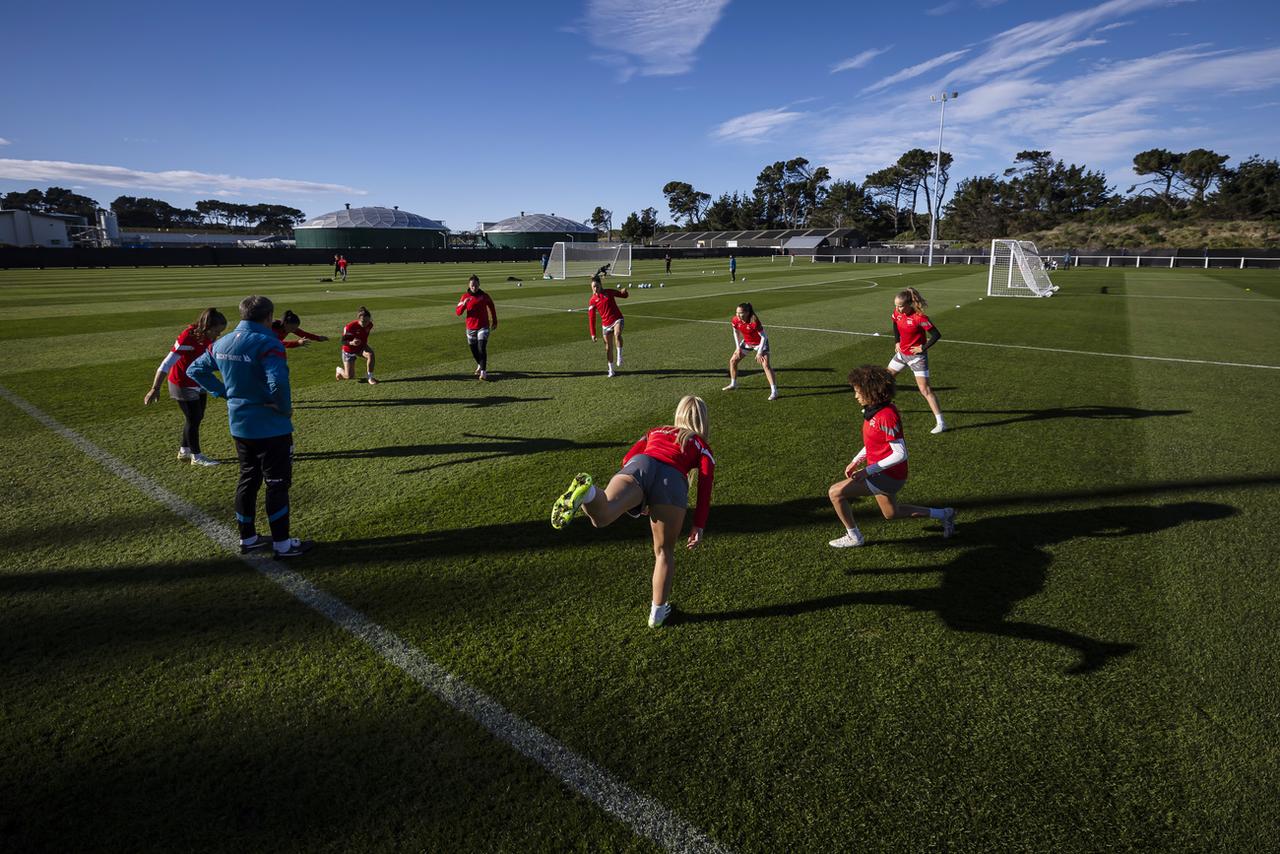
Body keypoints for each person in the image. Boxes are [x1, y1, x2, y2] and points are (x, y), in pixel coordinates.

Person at [550, 395, 714, 628]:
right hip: (672, 481)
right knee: (664, 552)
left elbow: (627, 457)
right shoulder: (700, 444)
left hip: (641, 464)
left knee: (603, 514)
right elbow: (705, 483)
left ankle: (587, 494)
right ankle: (657, 614)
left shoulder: (655, 431)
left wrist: (640, 496)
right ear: (703, 421)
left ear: (678, 413)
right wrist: (699, 524)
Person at [187, 295, 313, 559]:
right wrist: (283, 408)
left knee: (248, 480)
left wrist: (224, 393)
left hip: (240, 426)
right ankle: (282, 545)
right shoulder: (269, 343)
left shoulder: (221, 342)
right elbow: (277, 382)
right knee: (277, 484)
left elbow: (195, 370)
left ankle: (249, 539)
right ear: (269, 318)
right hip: (271, 427)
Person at [827, 365, 955, 548]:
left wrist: (867, 471)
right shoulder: (873, 411)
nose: (855, 396)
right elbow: (874, 443)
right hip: (882, 473)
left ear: (871, 391)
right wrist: (856, 460)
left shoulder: (886, 416)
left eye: (858, 391)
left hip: (888, 476)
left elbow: (900, 453)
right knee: (891, 513)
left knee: (835, 493)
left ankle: (854, 536)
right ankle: (945, 514)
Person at [143, 307, 228, 466]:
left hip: (199, 380)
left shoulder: (208, 337)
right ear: (207, 327)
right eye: (217, 331)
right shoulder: (187, 337)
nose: (218, 335)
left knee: (197, 417)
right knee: (193, 418)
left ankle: (184, 450)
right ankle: (196, 457)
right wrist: (155, 388)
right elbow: (167, 363)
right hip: (182, 383)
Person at [887, 287, 946, 434]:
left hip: (917, 358)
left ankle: (941, 422)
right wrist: (897, 342)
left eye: (900, 306)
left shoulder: (920, 318)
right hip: (901, 354)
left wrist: (923, 348)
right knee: (886, 379)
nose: (897, 308)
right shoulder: (896, 313)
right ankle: (884, 407)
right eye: (896, 305)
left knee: (924, 390)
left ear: (909, 304)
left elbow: (936, 335)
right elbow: (895, 324)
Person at [722, 302, 779, 400]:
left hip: (760, 343)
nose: (738, 315)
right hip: (747, 343)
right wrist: (738, 347)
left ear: (747, 312)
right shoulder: (735, 320)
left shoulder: (754, 321)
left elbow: (764, 337)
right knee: (733, 361)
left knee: (765, 365)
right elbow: (735, 332)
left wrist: (759, 352)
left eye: (740, 313)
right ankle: (733, 384)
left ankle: (774, 391)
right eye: (737, 312)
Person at [456, 274, 498, 380]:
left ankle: (483, 371)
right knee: (474, 350)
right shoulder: (464, 297)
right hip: (470, 328)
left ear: (479, 284)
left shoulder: (484, 296)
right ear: (469, 285)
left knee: (481, 348)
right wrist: (464, 305)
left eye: (475, 285)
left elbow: (492, 307)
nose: (474, 287)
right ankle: (480, 364)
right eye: (472, 285)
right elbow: (458, 312)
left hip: (483, 326)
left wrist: (494, 320)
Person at [586, 274, 628, 377]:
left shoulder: (609, 292)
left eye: (596, 286)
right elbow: (591, 318)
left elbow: (623, 295)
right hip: (606, 324)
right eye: (593, 287)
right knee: (608, 348)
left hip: (617, 319)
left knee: (617, 334)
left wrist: (625, 292)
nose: (595, 289)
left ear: (600, 285)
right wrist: (593, 334)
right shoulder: (592, 300)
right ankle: (611, 370)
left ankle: (619, 356)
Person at [336, 306, 377, 384]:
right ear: (358, 319)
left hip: (361, 347)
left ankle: (370, 378)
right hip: (349, 349)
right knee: (349, 376)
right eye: (363, 321)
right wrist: (352, 343)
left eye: (367, 321)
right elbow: (343, 341)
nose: (365, 324)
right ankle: (339, 370)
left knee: (370, 355)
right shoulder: (350, 327)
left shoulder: (370, 325)